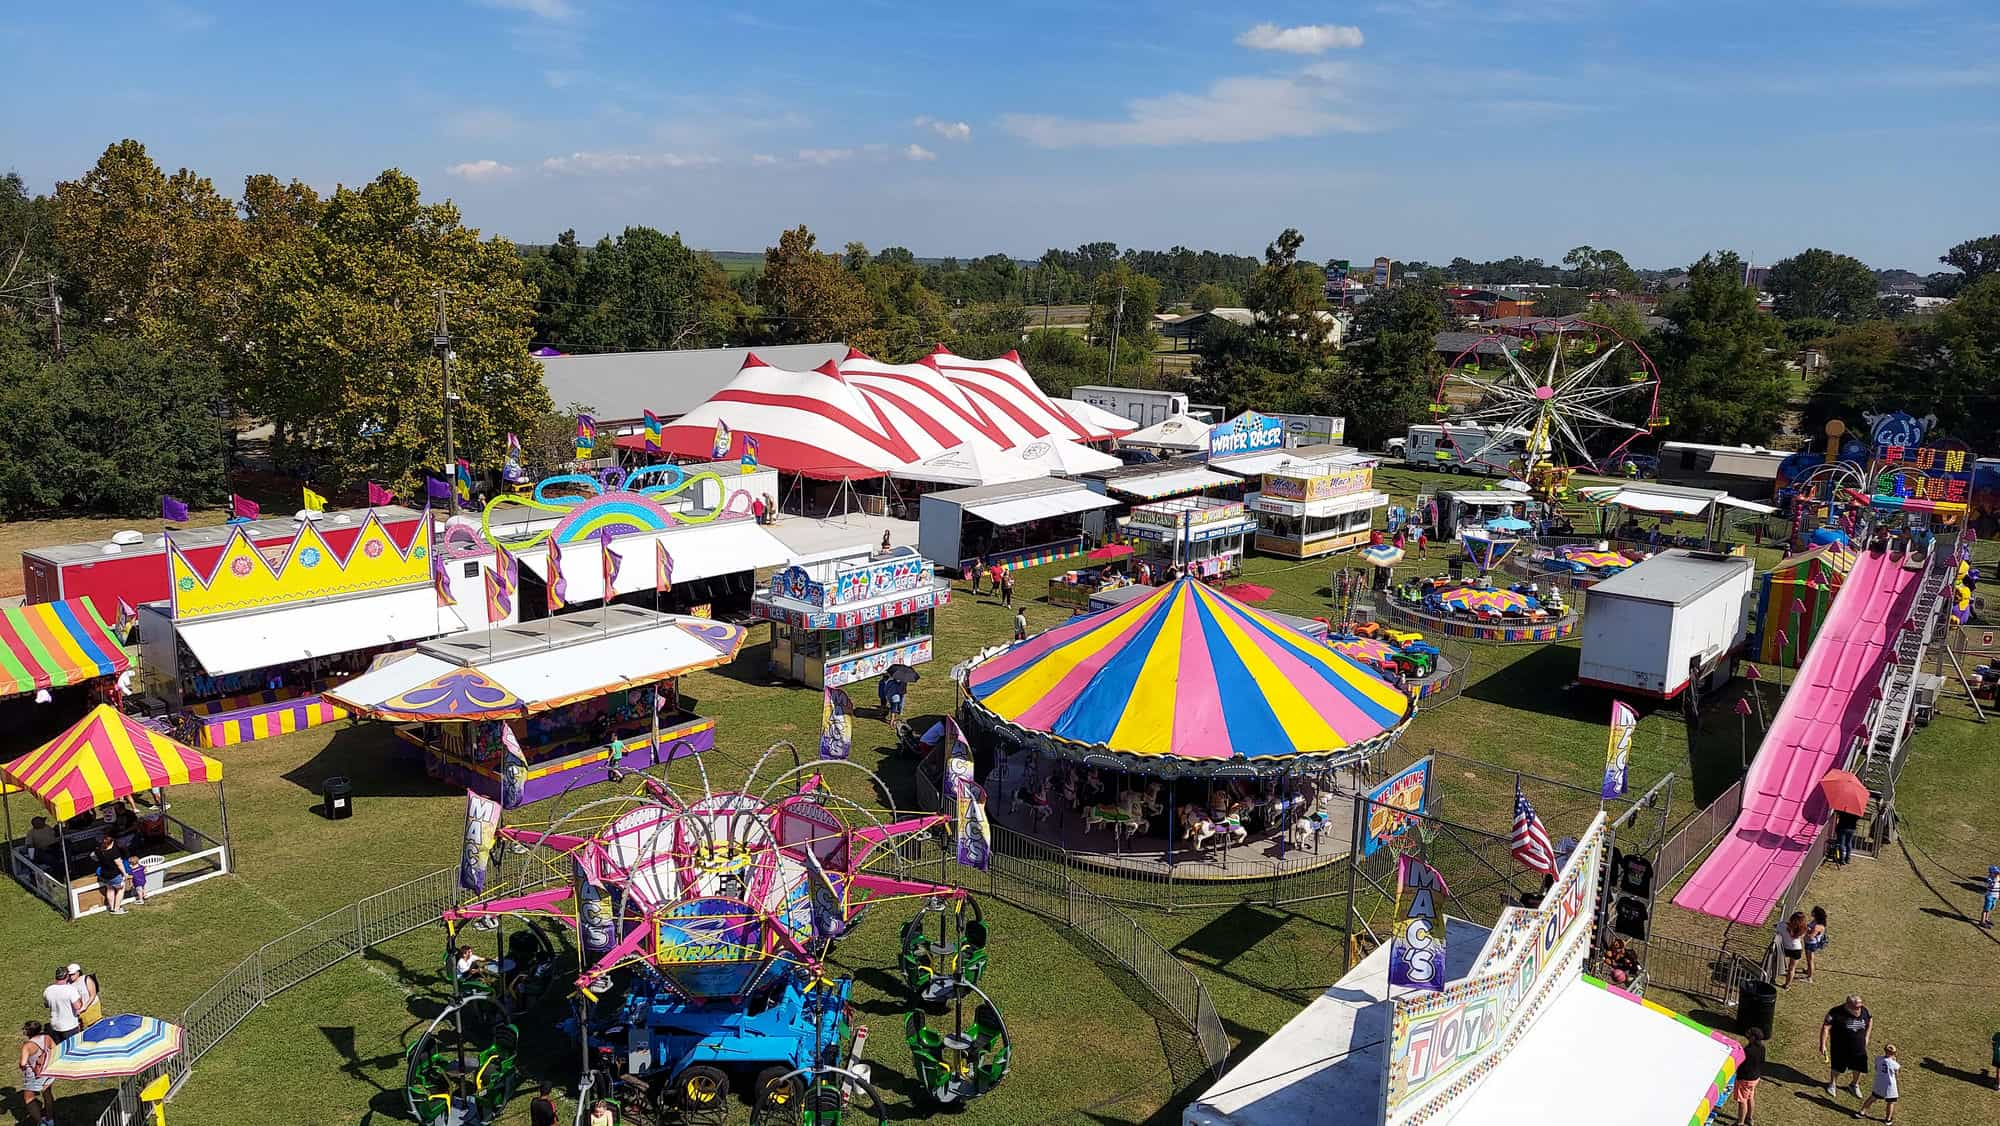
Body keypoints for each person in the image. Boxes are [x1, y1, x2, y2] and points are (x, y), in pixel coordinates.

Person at [1822, 994, 1873, 1100]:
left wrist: (1867, 1037)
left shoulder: (1864, 1010)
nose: (1859, 1009)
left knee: (1858, 1066)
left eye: (1860, 1006)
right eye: (1856, 1007)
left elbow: (1870, 1020)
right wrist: (1823, 1044)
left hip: (1859, 1047)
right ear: (1848, 1005)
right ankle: (1832, 1084)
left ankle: (1854, 1085)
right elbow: (1826, 1027)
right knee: (1837, 1067)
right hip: (1840, 1047)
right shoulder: (1835, 1012)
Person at [20, 1021, 55, 1126]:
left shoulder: (27, 1046)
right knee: (47, 1093)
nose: (24, 1030)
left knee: (29, 1098)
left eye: (25, 1029)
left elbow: (23, 1064)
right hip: (48, 1071)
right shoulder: (47, 1038)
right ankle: (50, 1119)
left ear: (29, 1032)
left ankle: (40, 1123)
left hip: (35, 1076)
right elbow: (55, 1050)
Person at [1856, 1042, 1899, 1122]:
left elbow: (1876, 1068)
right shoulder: (1895, 1064)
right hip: (1890, 1086)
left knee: (1872, 1097)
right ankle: (1888, 1119)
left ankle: (1862, 1112)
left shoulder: (1878, 1059)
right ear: (1893, 1053)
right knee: (1891, 1102)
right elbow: (1896, 1074)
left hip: (1879, 1083)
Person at [41, 968, 81, 1044]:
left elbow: (46, 1005)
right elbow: (77, 1006)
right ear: (67, 977)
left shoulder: (48, 990)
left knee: (60, 1048)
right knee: (72, 1047)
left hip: (55, 1026)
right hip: (70, 1026)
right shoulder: (71, 989)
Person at [1735, 1026, 1766, 1125]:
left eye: (1749, 1034)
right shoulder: (1762, 1048)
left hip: (1745, 1079)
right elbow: (1762, 1061)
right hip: (1755, 1077)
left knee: (1742, 1101)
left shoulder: (1747, 1051)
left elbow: (1741, 1065)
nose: (1747, 1035)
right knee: (1750, 1097)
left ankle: (1740, 1122)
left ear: (1753, 1037)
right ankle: (1750, 1118)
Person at [1778, 911, 1807, 987]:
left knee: (1777, 962)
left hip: (1784, 948)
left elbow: (1777, 929)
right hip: (1796, 949)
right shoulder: (1803, 929)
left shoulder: (1782, 925)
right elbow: (1800, 938)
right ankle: (1787, 985)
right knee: (1792, 968)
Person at [1804, 905, 1829, 982]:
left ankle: (1809, 977)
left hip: (1811, 944)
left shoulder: (1818, 926)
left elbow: (1811, 936)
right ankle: (1808, 970)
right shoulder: (1815, 921)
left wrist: (1805, 931)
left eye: (1813, 912)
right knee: (1808, 960)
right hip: (1808, 943)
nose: (1811, 912)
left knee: (1810, 960)